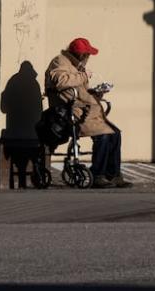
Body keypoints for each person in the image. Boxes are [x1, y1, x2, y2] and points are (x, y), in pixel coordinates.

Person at [45, 37, 130, 189]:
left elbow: (79, 91)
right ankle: (97, 175)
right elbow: (61, 82)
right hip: (71, 112)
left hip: (85, 110)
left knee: (115, 133)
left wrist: (95, 93)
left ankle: (113, 174)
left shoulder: (77, 65)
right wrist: (84, 76)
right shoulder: (60, 61)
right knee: (103, 136)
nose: (88, 58)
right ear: (81, 55)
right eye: (87, 55)